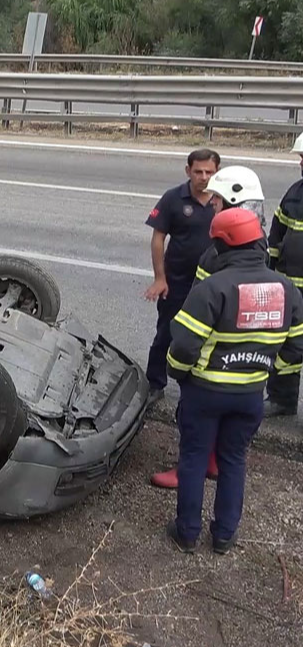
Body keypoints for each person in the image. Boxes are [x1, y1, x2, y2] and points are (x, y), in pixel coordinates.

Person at [164, 207, 303, 554]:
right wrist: (266, 370)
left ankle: (187, 533)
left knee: (194, 459)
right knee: (233, 461)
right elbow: (297, 345)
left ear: (220, 246)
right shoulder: (287, 288)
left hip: (205, 392)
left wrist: (179, 374)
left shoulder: (212, 288)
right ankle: (224, 536)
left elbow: (183, 344)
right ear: (257, 241)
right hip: (250, 395)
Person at [150, 165, 268, 490]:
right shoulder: (258, 239)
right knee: (230, 426)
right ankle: (215, 461)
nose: (211, 202)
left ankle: (191, 468)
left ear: (231, 199)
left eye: (216, 198)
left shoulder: (220, 252)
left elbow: (201, 307)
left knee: (195, 413)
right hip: (248, 354)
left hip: (213, 351)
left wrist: (181, 357)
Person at [143, 149, 221, 404]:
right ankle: (154, 383)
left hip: (212, 284)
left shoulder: (223, 200)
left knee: (209, 337)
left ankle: (199, 387)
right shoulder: (173, 198)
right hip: (177, 281)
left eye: (209, 172)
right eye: (198, 171)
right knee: (167, 332)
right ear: (188, 171)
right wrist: (159, 278)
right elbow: (158, 238)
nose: (204, 177)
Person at [264, 132, 303, 417]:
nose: (301, 164)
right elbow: (277, 233)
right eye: (302, 158)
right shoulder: (296, 192)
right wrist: (269, 269)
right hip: (291, 288)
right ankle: (282, 400)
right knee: (286, 343)